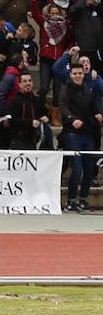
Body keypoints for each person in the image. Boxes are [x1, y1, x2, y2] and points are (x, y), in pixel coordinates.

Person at [59, 63, 103, 212]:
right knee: (77, 168)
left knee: (90, 169)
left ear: (83, 74)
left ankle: (83, 199)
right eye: (75, 73)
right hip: (72, 134)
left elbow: (93, 108)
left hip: (87, 134)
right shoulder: (65, 90)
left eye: (80, 73)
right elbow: (63, 108)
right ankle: (71, 200)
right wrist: (72, 119)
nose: (78, 76)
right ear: (71, 75)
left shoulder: (87, 90)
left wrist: (97, 114)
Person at [29, 2, 70, 106]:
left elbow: (71, 39)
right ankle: (41, 109)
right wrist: (35, 1)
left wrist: (68, 50)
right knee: (44, 87)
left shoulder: (65, 24)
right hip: (46, 60)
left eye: (57, 13)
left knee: (57, 90)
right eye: (52, 13)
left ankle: (55, 113)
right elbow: (35, 14)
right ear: (49, 13)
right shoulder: (44, 22)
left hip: (59, 61)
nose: (54, 15)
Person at [8, 71, 50, 149]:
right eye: (24, 81)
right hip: (18, 141)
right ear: (19, 84)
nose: (28, 83)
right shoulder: (15, 101)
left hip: (33, 140)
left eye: (29, 81)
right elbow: (12, 120)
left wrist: (45, 117)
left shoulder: (36, 100)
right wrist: (30, 123)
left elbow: (45, 113)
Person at [69, 0, 103, 73]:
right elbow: (75, 9)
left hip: (98, 51)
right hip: (85, 51)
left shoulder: (96, 9)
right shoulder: (77, 10)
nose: (91, 1)